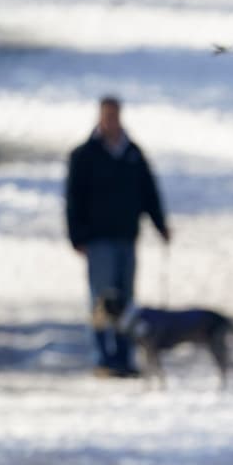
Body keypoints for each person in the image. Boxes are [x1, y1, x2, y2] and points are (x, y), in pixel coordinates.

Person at [65, 96, 171, 377]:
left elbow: (149, 192)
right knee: (101, 300)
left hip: (127, 236)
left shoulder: (133, 153)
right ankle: (103, 358)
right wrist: (77, 236)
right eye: (106, 116)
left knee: (126, 299)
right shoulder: (84, 155)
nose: (111, 121)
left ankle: (125, 357)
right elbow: (73, 199)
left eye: (115, 116)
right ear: (99, 117)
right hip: (97, 239)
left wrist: (160, 225)